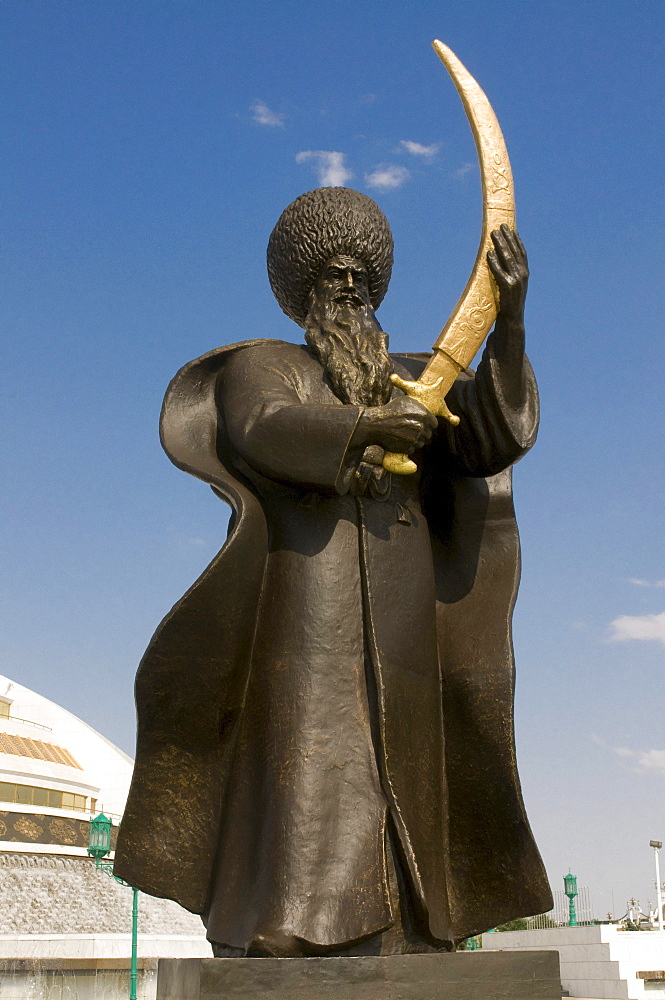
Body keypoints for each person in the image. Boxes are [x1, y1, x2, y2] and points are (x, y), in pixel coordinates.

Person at [114, 187, 552, 956]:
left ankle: (418, 927)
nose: (347, 289)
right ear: (302, 293)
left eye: (359, 277)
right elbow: (262, 427)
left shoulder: (420, 378)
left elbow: (488, 439)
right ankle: (291, 921)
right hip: (304, 596)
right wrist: (364, 427)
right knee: (308, 746)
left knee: (409, 749)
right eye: (329, 278)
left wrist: (507, 323)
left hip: (405, 599)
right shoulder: (266, 364)